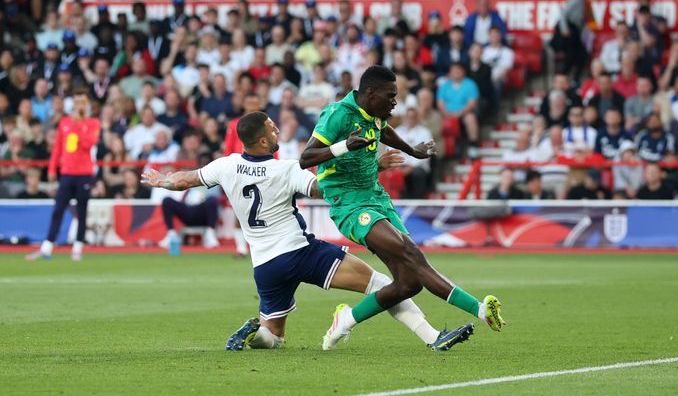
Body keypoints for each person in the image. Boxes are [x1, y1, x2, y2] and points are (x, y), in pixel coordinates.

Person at [141, 111, 473, 352]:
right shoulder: (285, 170)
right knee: (381, 283)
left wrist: (163, 181)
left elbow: (184, 179)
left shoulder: (224, 165)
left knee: (274, 336)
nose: (277, 133)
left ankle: (253, 332)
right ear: (261, 140)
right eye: (272, 130)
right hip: (301, 253)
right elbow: (325, 189)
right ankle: (433, 337)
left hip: (265, 266)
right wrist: (373, 166)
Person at [299, 66, 504, 350]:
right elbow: (305, 158)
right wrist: (345, 146)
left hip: (377, 197)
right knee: (411, 253)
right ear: (371, 93)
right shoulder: (338, 115)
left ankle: (345, 319)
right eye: (391, 95)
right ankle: (479, 309)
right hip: (349, 204)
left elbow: (384, 130)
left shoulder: (375, 114)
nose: (396, 101)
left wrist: (412, 150)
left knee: (409, 282)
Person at [26, 89, 100, 262]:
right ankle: (47, 247)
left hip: (84, 173)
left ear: (86, 104)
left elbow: (90, 143)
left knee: (82, 211)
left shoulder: (92, 123)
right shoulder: (64, 122)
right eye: (77, 101)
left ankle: (78, 247)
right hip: (66, 173)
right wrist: (52, 168)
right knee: (58, 210)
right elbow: (58, 148)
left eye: (82, 101)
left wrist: (79, 124)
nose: (79, 105)